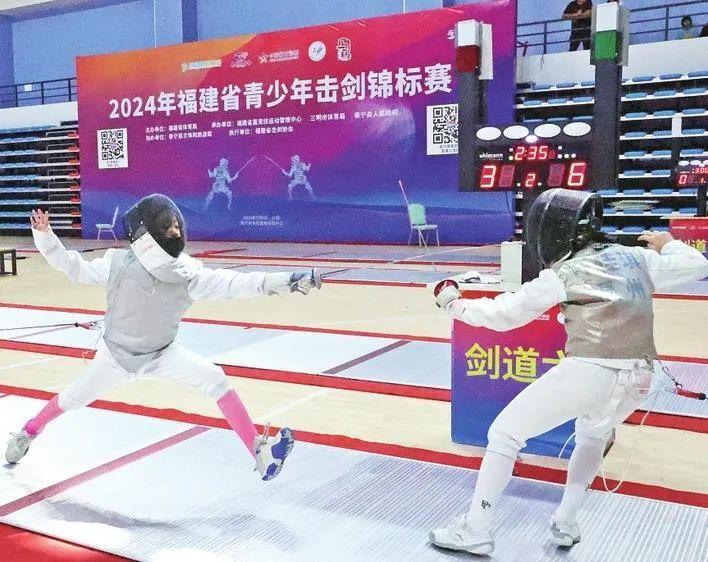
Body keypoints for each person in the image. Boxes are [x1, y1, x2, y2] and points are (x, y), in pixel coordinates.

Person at [429, 189, 708, 555]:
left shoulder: (565, 271)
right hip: (641, 376)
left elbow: (504, 314)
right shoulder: (636, 257)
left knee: (504, 434)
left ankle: (475, 530)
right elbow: (696, 264)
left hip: (592, 371)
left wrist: (453, 303)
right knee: (593, 436)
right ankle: (565, 523)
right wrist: (668, 243)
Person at [6, 195, 323, 481]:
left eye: (175, 226)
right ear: (146, 233)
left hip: (161, 353)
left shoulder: (187, 274)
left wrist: (288, 279)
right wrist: (45, 236)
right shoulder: (120, 264)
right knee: (71, 399)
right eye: (166, 226)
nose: (174, 231)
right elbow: (72, 267)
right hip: (115, 357)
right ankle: (28, 432)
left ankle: (260, 453)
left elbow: (238, 283)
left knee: (215, 378)